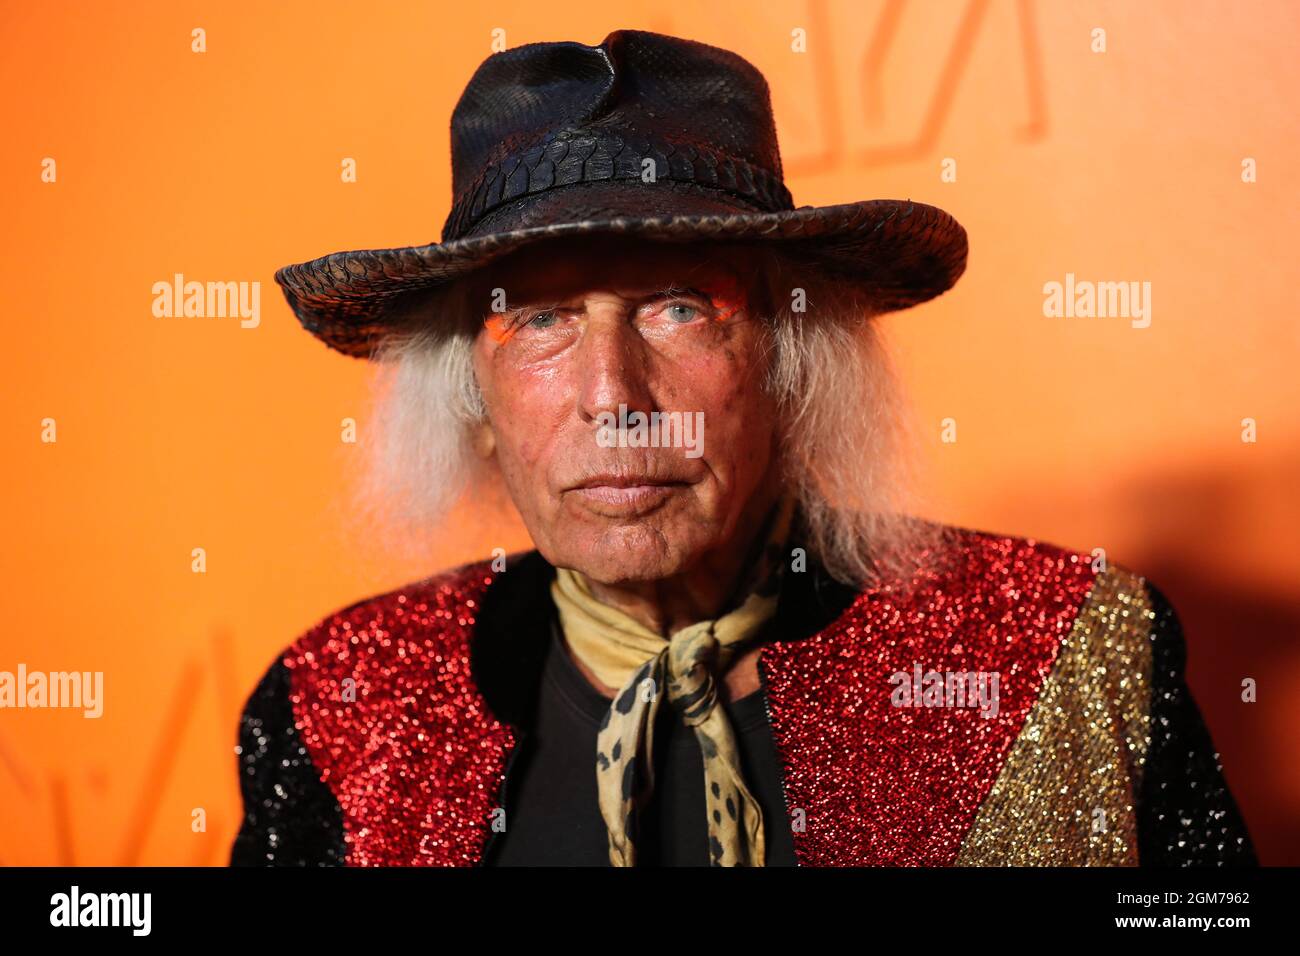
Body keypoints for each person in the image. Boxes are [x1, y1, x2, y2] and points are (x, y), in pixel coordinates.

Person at [231, 29, 1255, 867]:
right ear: (471, 396)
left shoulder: (1063, 655)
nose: (613, 398)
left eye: (681, 306)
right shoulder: (341, 710)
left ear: (790, 358)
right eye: (537, 320)